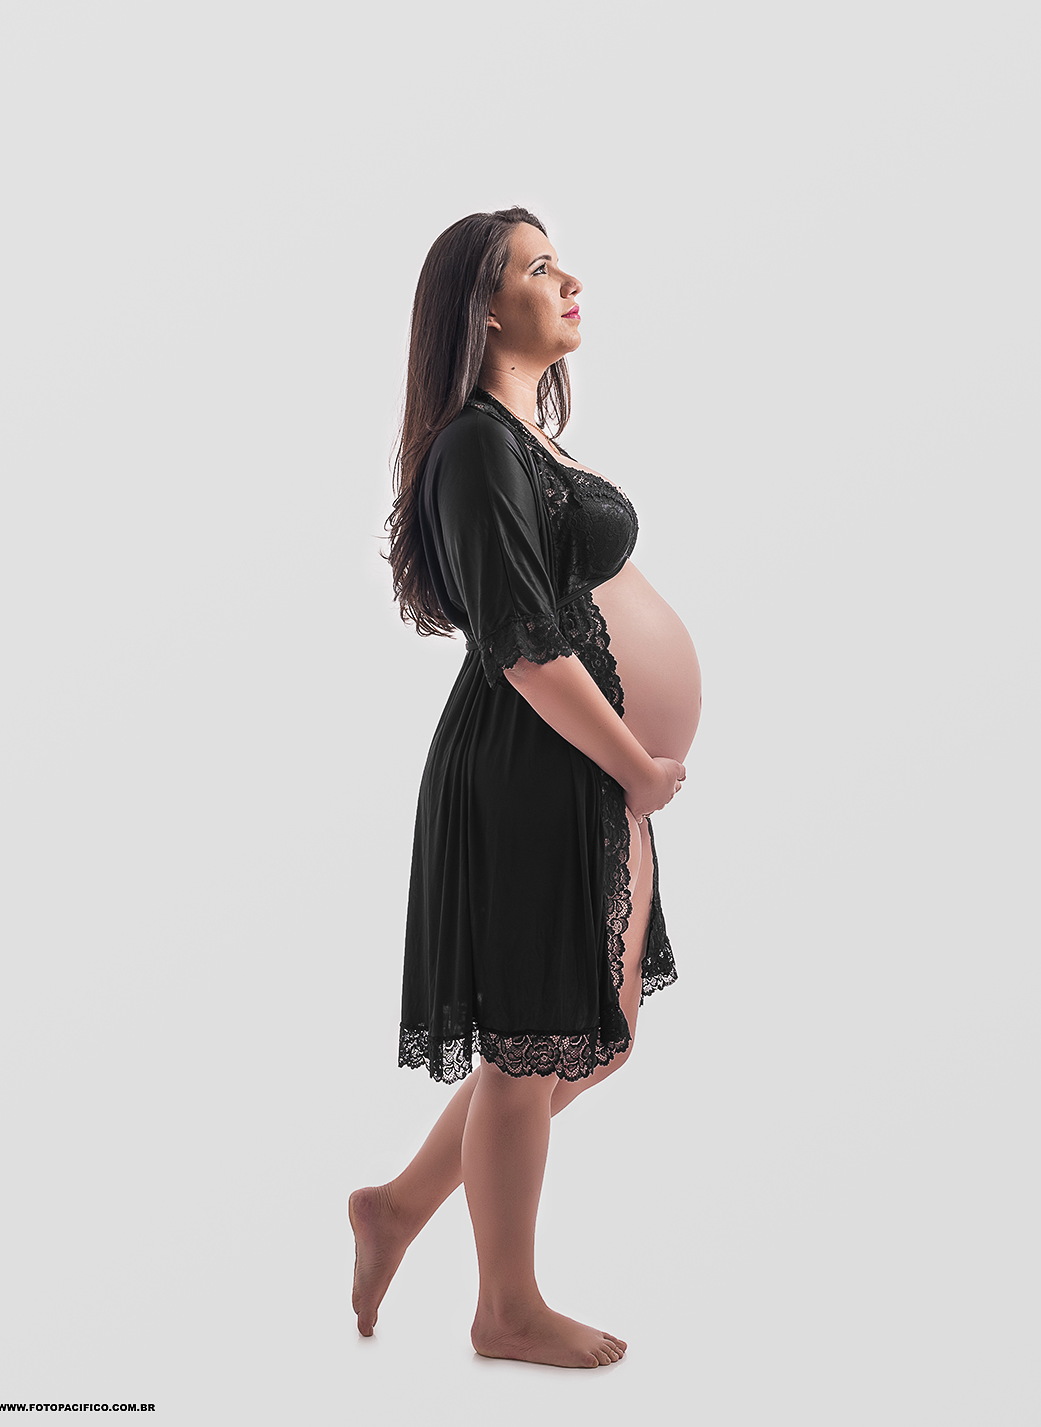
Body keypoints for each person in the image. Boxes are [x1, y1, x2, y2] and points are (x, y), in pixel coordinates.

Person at [350, 206, 703, 1368]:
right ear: (487, 309)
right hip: (530, 765)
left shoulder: (528, 437)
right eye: (539, 267)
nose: (568, 278)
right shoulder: (473, 447)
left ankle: (397, 1206)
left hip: (581, 769)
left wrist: (627, 766)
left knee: (593, 1038)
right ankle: (506, 1306)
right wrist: (634, 762)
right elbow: (519, 643)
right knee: (532, 1046)